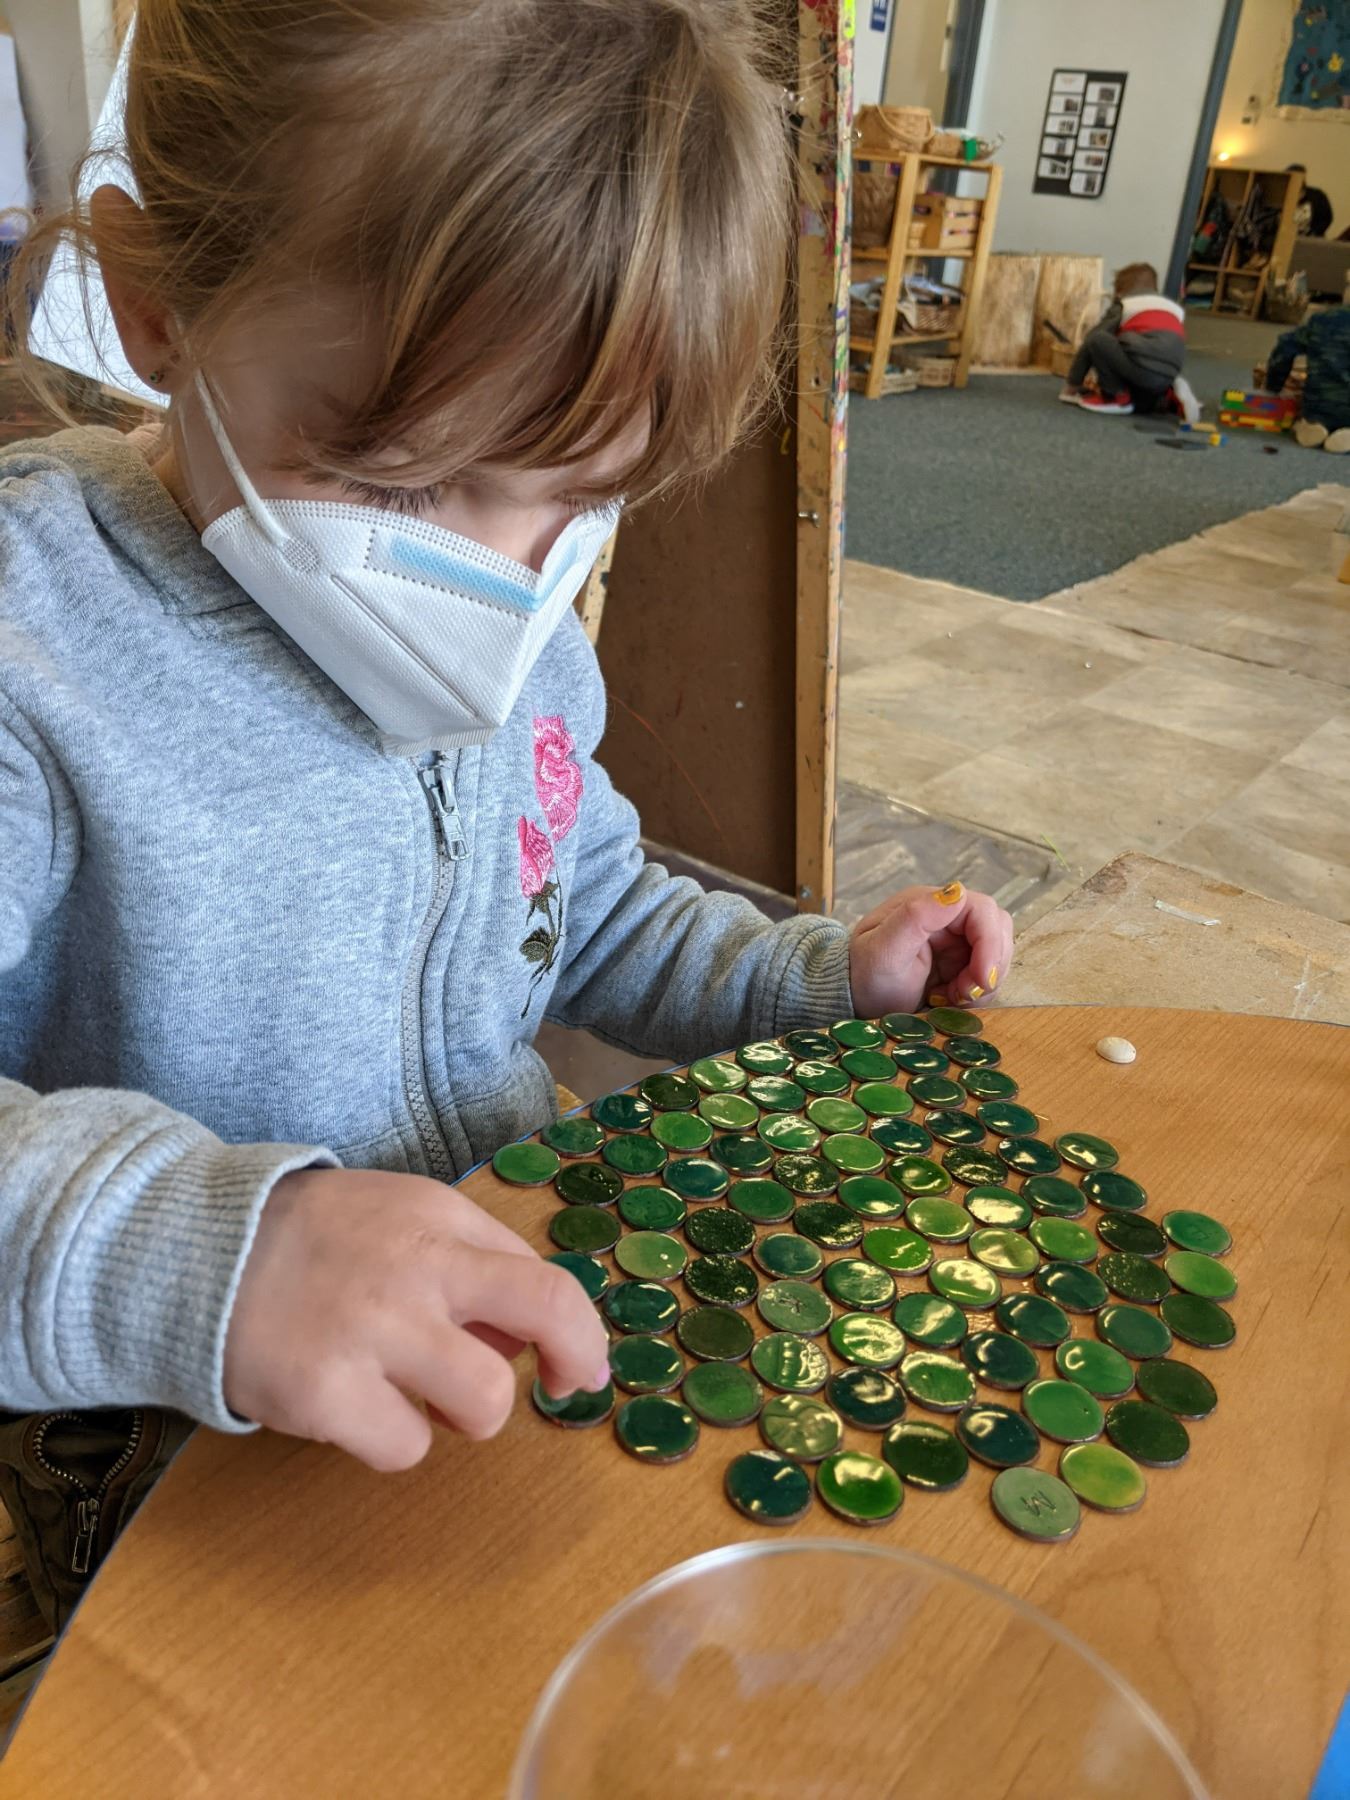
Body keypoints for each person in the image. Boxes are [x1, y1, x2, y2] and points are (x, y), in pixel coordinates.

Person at [0, 1, 1014, 1563]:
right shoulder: (33, 638)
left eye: (580, 495)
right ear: (152, 306)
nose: (495, 572)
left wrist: (814, 978)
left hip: (511, 1355)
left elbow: (579, 908)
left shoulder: (522, 626)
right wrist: (213, 1255)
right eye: (398, 479)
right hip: (184, 1484)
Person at [1058, 262, 1200, 422]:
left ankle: (1116, 396)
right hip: (1170, 372)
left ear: (1119, 292)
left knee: (1098, 340)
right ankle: (1168, 394)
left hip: (1141, 367)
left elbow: (1093, 339)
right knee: (1145, 383)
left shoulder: (1125, 304)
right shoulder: (1174, 309)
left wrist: (1073, 384)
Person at [1265, 302, 1350, 452]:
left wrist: (1273, 385)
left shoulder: (1323, 319)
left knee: (1318, 410)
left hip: (1318, 405)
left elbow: (1285, 349)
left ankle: (1314, 425)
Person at [1286, 164, 1333, 239]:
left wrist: (1315, 233)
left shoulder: (1317, 195)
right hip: (1286, 238)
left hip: (1313, 239)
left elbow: (1326, 218)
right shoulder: (1281, 196)